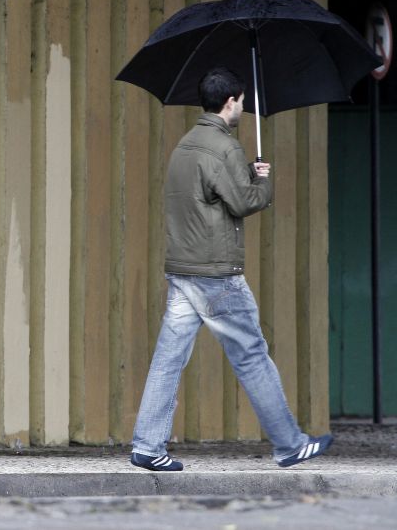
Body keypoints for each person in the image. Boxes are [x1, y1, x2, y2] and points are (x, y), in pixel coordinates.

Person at [130, 67, 333, 472]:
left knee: (168, 358)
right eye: (242, 101)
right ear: (231, 101)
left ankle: (147, 446)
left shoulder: (185, 145)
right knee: (252, 354)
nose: (243, 107)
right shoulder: (224, 149)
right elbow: (243, 202)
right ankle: (290, 444)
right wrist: (262, 180)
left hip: (183, 268)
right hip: (216, 273)